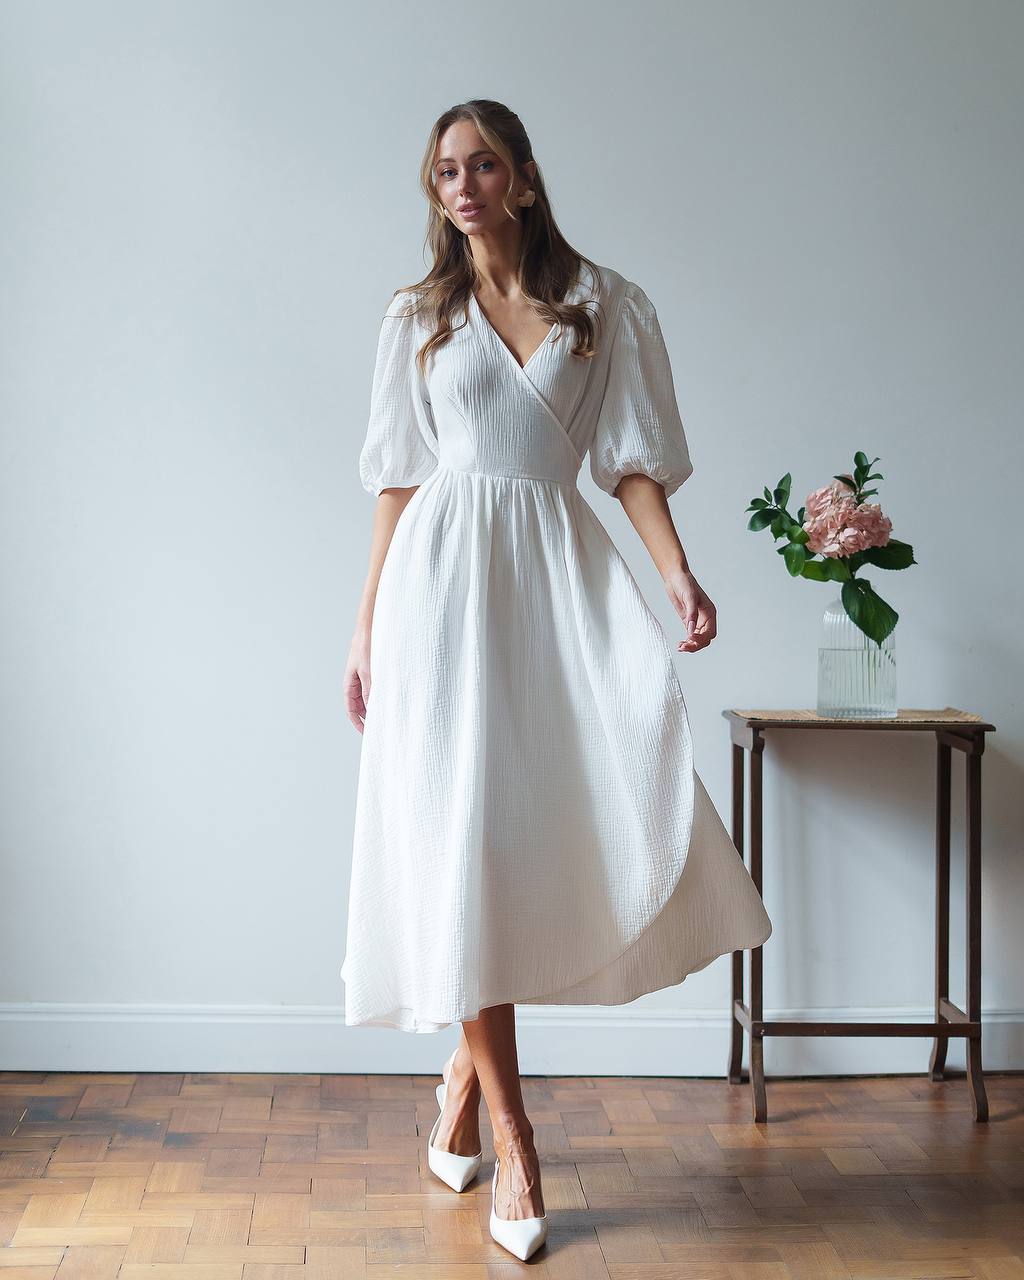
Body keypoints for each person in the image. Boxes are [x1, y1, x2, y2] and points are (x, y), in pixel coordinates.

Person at [341, 98, 772, 1263]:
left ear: (525, 179)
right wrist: (366, 624)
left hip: (551, 582)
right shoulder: (417, 317)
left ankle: (462, 1083)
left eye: (483, 165)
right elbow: (396, 479)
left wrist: (676, 575)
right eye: (445, 170)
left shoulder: (602, 305)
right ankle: (516, 1136)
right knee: (461, 843)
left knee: (541, 838)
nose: (462, 186)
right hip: (440, 591)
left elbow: (630, 465)